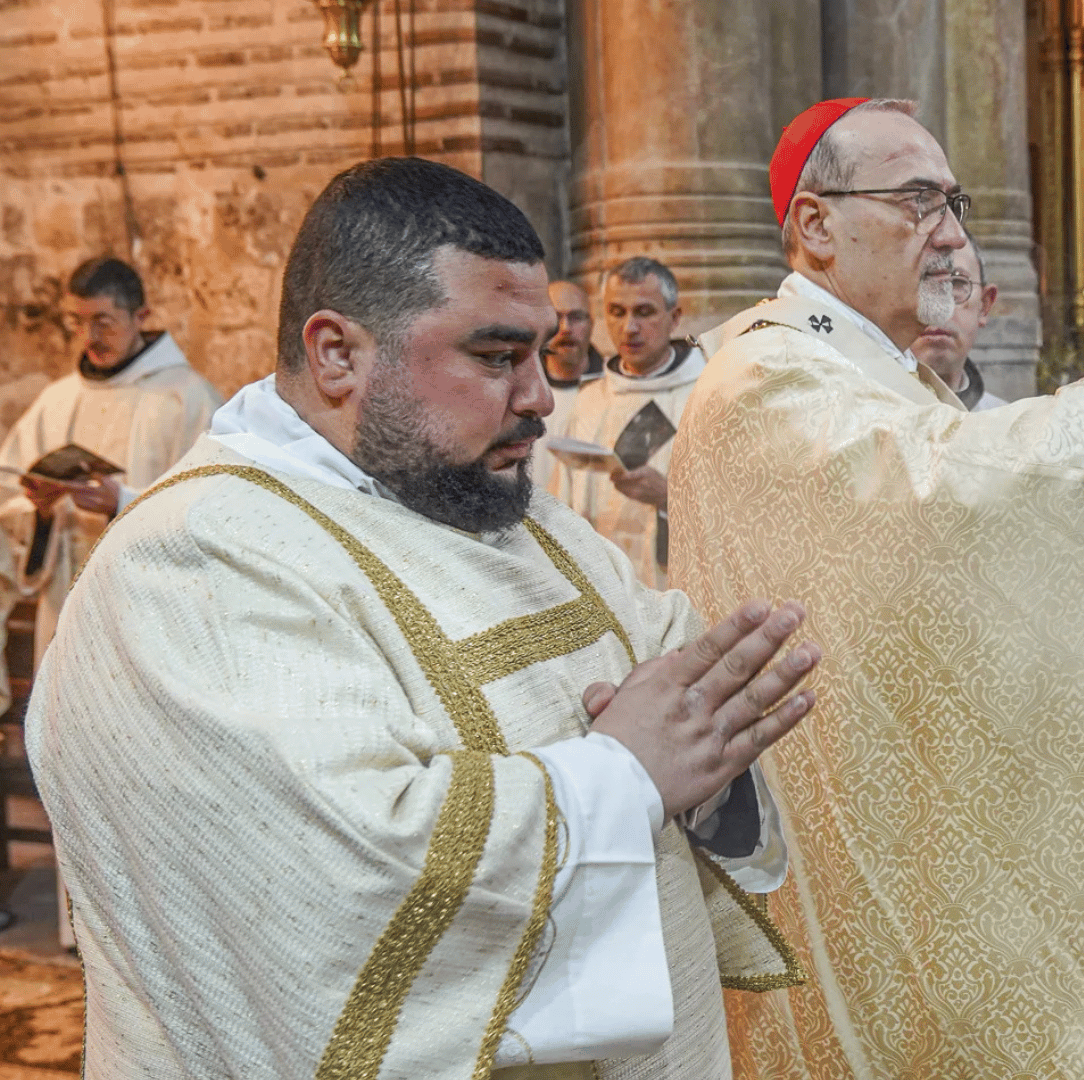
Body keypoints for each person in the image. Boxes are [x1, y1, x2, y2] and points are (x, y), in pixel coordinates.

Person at [26, 157, 821, 1077]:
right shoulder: (193, 562)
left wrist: (711, 753)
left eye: (539, 350)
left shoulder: (523, 516)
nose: (540, 398)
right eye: (496, 357)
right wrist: (624, 775)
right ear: (337, 354)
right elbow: (340, 885)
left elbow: (673, 694)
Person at [672, 97, 1084, 1078]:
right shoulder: (764, 376)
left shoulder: (865, 371)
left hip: (903, 821)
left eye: (953, 202)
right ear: (815, 224)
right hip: (837, 846)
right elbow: (956, 487)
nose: (952, 234)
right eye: (918, 200)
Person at [0, 257, 222, 667]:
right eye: (77, 322)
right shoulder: (57, 401)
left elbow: (214, 509)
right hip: (65, 604)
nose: (89, 337)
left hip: (147, 613)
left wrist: (120, 503)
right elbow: (8, 500)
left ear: (141, 316)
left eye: (103, 322)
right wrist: (42, 511)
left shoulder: (188, 399)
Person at [554, 257, 702, 588]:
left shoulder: (706, 394)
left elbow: (740, 508)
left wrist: (668, 498)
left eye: (644, 312)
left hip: (676, 585)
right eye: (617, 312)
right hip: (603, 588)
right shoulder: (589, 400)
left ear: (674, 318)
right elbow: (562, 503)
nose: (629, 327)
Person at [908, 232, 1006, 409]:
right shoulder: (861, 420)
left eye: (955, 284)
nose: (938, 309)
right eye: (921, 283)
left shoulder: (1006, 426)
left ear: (984, 305)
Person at [530, 277, 604, 490]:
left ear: (592, 323)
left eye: (576, 317)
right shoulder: (522, 394)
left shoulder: (614, 391)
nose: (565, 329)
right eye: (556, 317)